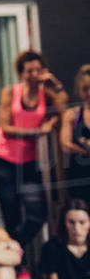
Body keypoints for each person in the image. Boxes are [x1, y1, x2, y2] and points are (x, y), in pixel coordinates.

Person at [0, 50, 68, 253]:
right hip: (2, 159)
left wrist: (55, 84)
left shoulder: (45, 95)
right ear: (22, 73)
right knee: (10, 213)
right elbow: (5, 128)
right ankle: (15, 268)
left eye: (38, 70)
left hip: (27, 161)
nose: (34, 74)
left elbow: (64, 109)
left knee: (37, 214)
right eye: (29, 70)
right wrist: (38, 131)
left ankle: (11, 250)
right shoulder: (10, 92)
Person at [39, 199, 90, 279]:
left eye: (82, 222)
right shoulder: (52, 247)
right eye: (71, 222)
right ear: (64, 223)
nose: (77, 228)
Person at [58, 66, 90, 203]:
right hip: (80, 175)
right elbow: (65, 145)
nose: (89, 92)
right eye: (85, 88)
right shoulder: (72, 114)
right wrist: (85, 150)